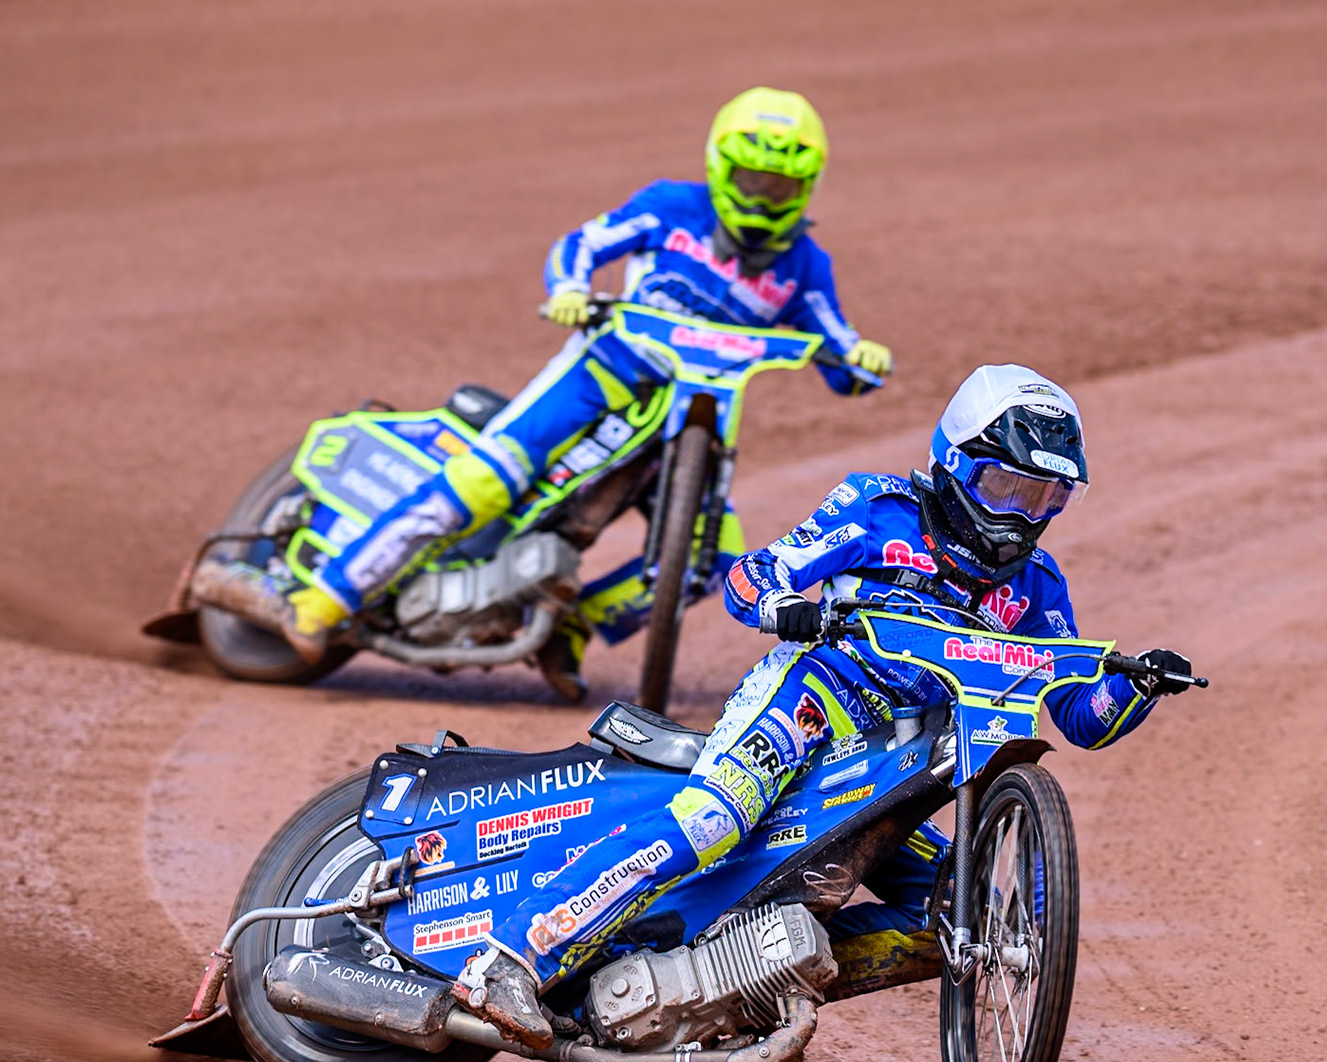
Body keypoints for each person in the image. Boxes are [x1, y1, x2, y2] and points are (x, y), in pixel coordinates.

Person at [451, 364, 1194, 1049]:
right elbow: (750, 576)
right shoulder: (877, 509)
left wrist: (1135, 684)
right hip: (810, 699)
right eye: (1008, 487)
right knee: (713, 816)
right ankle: (505, 960)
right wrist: (785, 606)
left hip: (893, 767)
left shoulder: (1039, 587)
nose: (1023, 514)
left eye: (1045, 497)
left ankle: (747, 987)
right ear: (958, 462)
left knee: (951, 911)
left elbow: (1078, 715)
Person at [281, 87, 892, 701]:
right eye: (751, 179)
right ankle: (328, 595)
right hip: (601, 375)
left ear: (806, 187)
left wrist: (861, 357)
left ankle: (570, 626)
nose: (761, 199)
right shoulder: (671, 206)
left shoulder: (805, 264)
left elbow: (838, 349)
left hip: (694, 424)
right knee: (486, 481)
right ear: (719, 166)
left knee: (714, 562)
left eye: (779, 187)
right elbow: (584, 244)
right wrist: (570, 286)